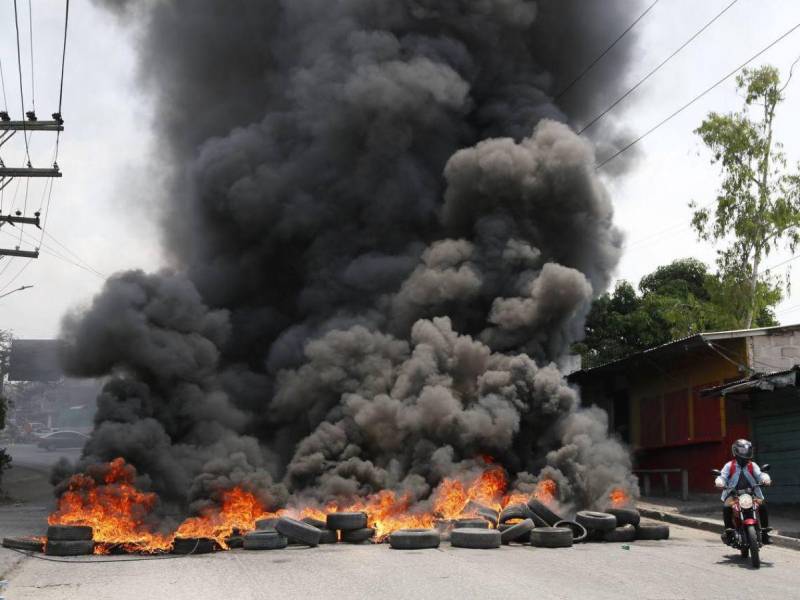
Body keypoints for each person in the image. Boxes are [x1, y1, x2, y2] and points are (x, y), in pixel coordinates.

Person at [714, 439, 772, 544]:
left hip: (751, 494)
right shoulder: (729, 465)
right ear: (736, 451)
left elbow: (760, 474)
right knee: (727, 507)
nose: (745, 452)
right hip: (733, 494)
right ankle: (729, 532)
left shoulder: (752, 465)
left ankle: (765, 534)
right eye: (742, 450)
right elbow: (722, 476)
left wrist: (765, 478)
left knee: (762, 505)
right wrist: (719, 481)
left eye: (747, 450)